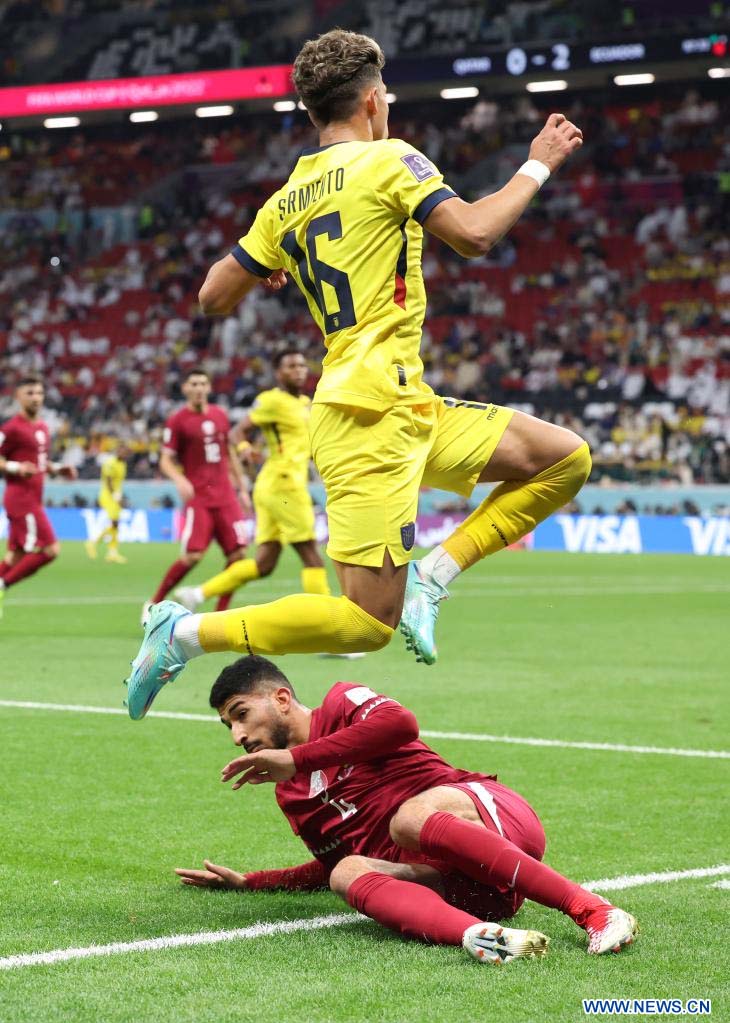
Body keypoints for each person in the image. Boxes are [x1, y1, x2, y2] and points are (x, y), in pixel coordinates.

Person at [126, 29, 589, 717]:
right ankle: (186, 631)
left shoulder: (288, 197)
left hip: (405, 406)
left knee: (564, 458)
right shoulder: (391, 159)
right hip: (368, 418)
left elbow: (211, 296)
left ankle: (435, 572)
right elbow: (474, 233)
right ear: (372, 101)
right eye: (389, 96)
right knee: (367, 623)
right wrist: (536, 165)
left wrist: (278, 261)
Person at [175, 656, 638, 963]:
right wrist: (251, 883)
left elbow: (401, 724)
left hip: (493, 819)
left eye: (239, 714)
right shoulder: (290, 794)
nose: (237, 735)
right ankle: (482, 936)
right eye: (227, 726)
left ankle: (594, 910)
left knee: (407, 822)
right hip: (476, 888)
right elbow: (330, 866)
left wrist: (296, 757)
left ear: (280, 699)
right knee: (346, 873)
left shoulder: (343, 701)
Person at [175, 350, 331, 610]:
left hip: (275, 485)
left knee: (265, 563)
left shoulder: (306, 403)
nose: (299, 370)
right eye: (291, 365)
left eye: (302, 365)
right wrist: (246, 447)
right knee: (311, 556)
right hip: (284, 485)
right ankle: (332, 632)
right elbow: (237, 432)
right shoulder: (270, 400)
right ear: (278, 373)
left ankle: (198, 594)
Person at [141, 367, 250, 626]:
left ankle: (220, 613)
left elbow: (229, 453)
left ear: (209, 388)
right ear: (185, 389)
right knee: (193, 556)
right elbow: (165, 460)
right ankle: (153, 603)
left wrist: (242, 488)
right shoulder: (178, 420)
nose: (199, 388)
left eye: (203, 383)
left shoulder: (220, 415)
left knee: (238, 557)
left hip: (225, 496)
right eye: (194, 383)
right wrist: (180, 479)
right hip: (199, 498)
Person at [0, 375, 77, 616]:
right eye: (30, 393)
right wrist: (15, 467)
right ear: (18, 396)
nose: (35, 398)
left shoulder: (43, 428)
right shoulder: (11, 428)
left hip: (33, 497)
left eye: (39, 393)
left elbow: (39, 462)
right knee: (50, 549)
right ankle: (3, 585)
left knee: (15, 557)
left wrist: (57, 468)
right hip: (21, 498)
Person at [85, 441, 129, 564]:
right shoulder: (110, 463)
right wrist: (115, 496)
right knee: (115, 523)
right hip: (108, 496)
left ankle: (112, 553)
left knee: (116, 524)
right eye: (122, 451)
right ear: (118, 451)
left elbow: (118, 482)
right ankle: (93, 543)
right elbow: (109, 481)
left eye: (126, 453)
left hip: (116, 496)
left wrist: (119, 496)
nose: (124, 454)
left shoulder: (123, 464)